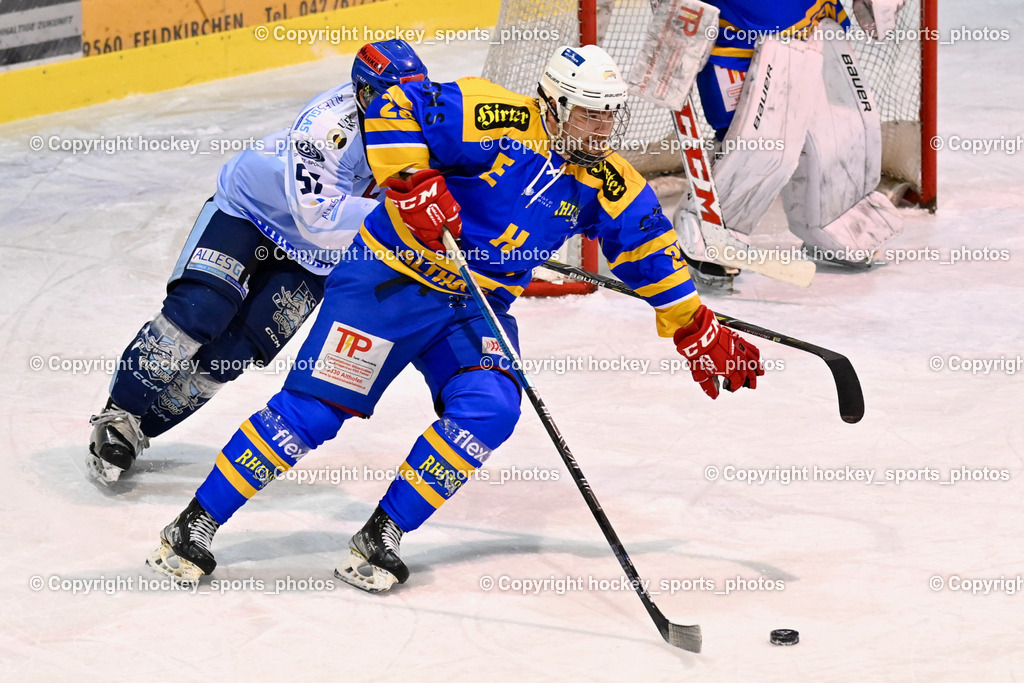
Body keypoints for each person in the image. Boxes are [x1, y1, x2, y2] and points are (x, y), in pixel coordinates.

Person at [146, 44, 765, 590]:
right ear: (552, 104)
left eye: (609, 114)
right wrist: (411, 181)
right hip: (387, 282)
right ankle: (193, 525)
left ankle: (382, 534)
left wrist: (694, 325)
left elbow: (648, 252)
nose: (600, 129)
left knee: (490, 408)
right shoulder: (494, 114)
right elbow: (396, 105)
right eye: (588, 113)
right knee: (313, 413)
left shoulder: (607, 178)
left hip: (475, 303)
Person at [86, 40, 429, 484]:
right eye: (396, 96)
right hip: (252, 213)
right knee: (199, 311)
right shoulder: (328, 129)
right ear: (365, 94)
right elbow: (318, 220)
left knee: (232, 354)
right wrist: (405, 214)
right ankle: (119, 414)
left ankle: (138, 432)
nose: (409, 108)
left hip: (317, 260)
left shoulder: (426, 118)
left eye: (415, 94)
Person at [678, 0, 905, 286]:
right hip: (741, 32)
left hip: (813, 19)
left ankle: (836, 218)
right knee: (759, 143)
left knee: (842, 127)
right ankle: (709, 231)